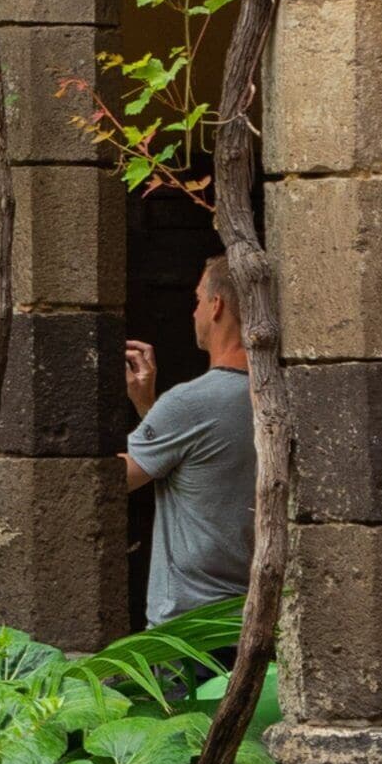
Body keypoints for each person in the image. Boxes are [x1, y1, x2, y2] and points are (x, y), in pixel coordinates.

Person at [122, 257, 257, 622]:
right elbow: (200, 460)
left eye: (197, 300)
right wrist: (149, 406)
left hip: (189, 626)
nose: (194, 312)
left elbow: (115, 480)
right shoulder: (276, 393)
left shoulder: (190, 402)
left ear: (217, 306)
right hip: (251, 615)